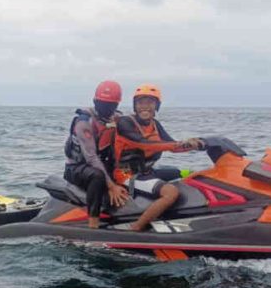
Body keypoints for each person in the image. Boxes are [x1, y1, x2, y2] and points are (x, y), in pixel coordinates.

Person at [114, 84, 203, 231]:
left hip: (147, 172)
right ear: (135, 106)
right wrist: (180, 144)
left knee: (191, 174)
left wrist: (197, 143)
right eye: (140, 102)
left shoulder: (155, 124)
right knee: (171, 192)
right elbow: (144, 144)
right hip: (127, 175)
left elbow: (172, 146)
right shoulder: (125, 123)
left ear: (157, 106)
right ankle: (135, 229)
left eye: (150, 102)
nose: (145, 106)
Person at [64, 80, 130, 228]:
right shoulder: (84, 122)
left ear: (117, 105)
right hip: (76, 168)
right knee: (97, 176)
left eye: (111, 105)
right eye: (102, 103)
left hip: (102, 164)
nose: (106, 108)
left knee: (127, 170)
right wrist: (111, 186)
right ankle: (93, 223)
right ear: (95, 101)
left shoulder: (117, 119)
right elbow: (91, 157)